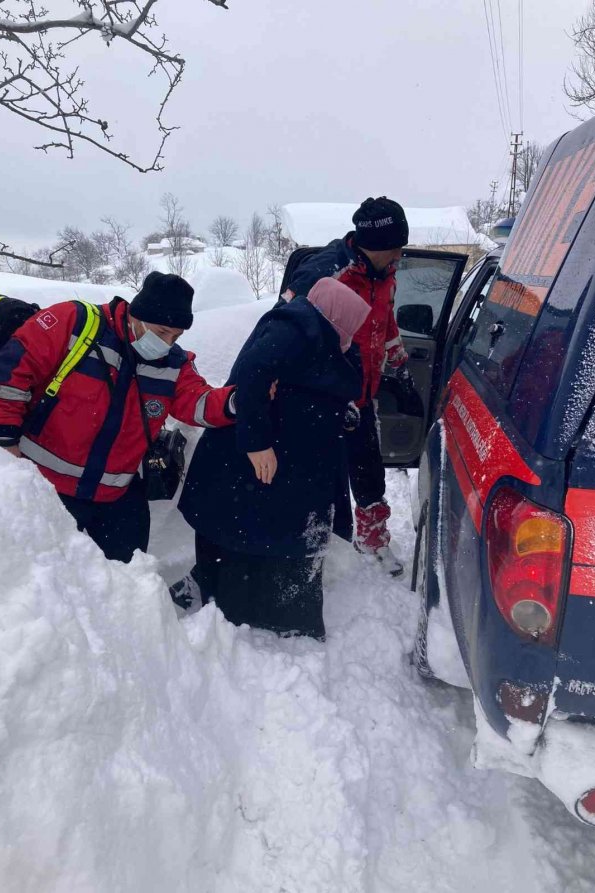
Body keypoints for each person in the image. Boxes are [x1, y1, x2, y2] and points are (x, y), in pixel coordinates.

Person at [0, 272, 237, 563]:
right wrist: (5, 441)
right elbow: (12, 372)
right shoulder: (76, 323)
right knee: (44, 576)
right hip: (46, 487)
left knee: (128, 581)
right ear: (136, 315)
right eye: (161, 332)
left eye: (176, 337)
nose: (167, 343)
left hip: (115, 496)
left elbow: (198, 402)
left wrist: (239, 401)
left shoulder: (173, 365)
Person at [176, 277, 370, 640]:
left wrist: (338, 408)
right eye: (350, 325)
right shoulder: (294, 328)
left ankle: (274, 611)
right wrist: (257, 444)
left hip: (292, 459)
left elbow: (309, 383)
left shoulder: (319, 332)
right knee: (250, 532)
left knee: (277, 532)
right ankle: (252, 610)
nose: (352, 335)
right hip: (254, 459)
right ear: (336, 316)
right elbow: (253, 374)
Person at [279, 196, 419, 576]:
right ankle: (316, 548)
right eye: (396, 248)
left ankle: (373, 540)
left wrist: (399, 367)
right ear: (376, 244)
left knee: (369, 473)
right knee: (320, 478)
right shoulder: (325, 274)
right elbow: (284, 330)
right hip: (323, 400)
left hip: (363, 398)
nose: (400, 256)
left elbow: (386, 322)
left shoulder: (386, 274)